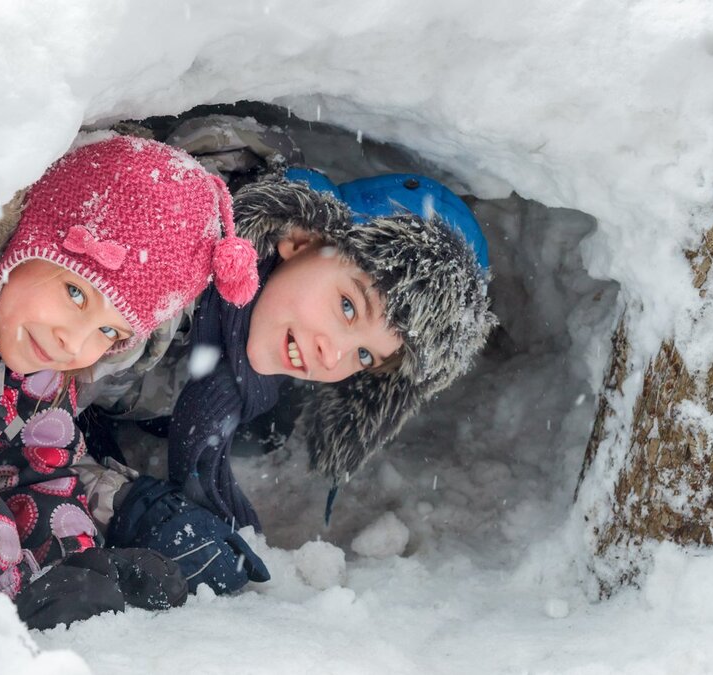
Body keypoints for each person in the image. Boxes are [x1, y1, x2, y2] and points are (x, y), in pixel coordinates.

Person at [75, 127, 497, 594]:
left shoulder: (249, 340)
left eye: (364, 355)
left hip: (187, 365)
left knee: (263, 428)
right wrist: (128, 504)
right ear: (299, 238)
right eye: (348, 307)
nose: (333, 354)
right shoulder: (157, 278)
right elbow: (10, 416)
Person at [0, 135, 261, 629]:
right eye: (76, 292)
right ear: (32, 237)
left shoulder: (45, 370)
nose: (74, 342)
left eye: (109, 331)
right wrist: (17, 586)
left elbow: (38, 473)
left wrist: (80, 563)